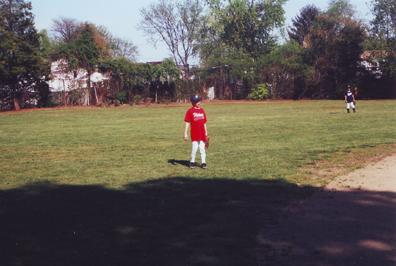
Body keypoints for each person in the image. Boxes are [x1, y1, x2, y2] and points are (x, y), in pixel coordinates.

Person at [184, 95, 208, 169]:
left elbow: (204, 123)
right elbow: (187, 122)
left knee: (202, 148)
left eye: (199, 101)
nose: (199, 103)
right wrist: (185, 133)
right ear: (193, 102)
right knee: (194, 147)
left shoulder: (202, 110)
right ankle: (192, 162)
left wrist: (206, 132)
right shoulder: (190, 111)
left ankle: (203, 163)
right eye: (197, 101)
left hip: (202, 132)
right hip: (194, 132)